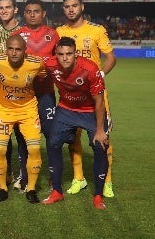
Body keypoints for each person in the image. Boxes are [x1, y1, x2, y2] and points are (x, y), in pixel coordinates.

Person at [56, 0, 116, 198]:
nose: (71, 9)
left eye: (74, 5)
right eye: (67, 6)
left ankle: (106, 181)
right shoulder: (59, 31)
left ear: (82, 7)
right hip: (70, 94)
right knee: (74, 139)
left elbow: (110, 57)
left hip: (95, 94)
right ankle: (78, 177)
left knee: (102, 136)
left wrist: (101, 73)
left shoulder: (96, 30)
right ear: (63, 9)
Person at [42, 37, 109, 210]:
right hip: (66, 109)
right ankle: (57, 191)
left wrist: (100, 129)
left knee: (99, 145)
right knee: (53, 143)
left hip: (90, 111)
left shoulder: (89, 69)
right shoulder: (49, 64)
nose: (65, 58)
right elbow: (31, 65)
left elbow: (99, 102)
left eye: (69, 54)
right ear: (56, 54)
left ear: (76, 54)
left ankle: (98, 195)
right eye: (61, 54)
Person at [0, 35, 45, 204]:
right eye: (10, 49)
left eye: (18, 49)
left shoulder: (36, 63)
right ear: (6, 49)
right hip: (4, 111)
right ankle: (3, 188)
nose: (13, 53)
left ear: (25, 51)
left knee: (34, 149)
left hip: (28, 110)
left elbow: (44, 74)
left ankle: (32, 189)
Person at [12, 0, 60, 190]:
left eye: (36, 11)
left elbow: (59, 61)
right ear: (24, 14)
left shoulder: (53, 35)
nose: (32, 15)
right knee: (23, 136)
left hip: (46, 93)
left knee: (51, 135)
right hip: (23, 95)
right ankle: (24, 176)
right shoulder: (17, 35)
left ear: (44, 14)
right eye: (29, 11)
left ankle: (52, 175)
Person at [0, 0, 25, 188]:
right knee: (3, 135)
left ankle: (23, 174)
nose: (4, 11)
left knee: (21, 134)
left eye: (8, 7)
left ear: (15, 10)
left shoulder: (23, 30)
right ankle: (8, 173)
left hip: (20, 91)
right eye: (1, 8)